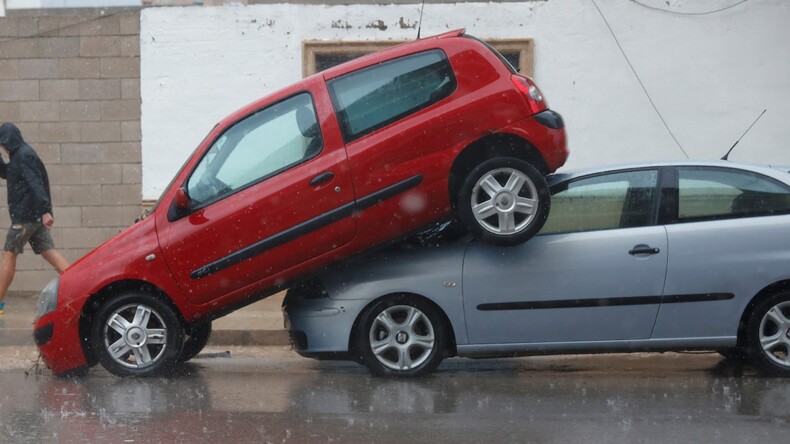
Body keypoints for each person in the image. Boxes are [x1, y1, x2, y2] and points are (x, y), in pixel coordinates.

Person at [0, 123, 69, 315]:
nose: (3, 148)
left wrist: (46, 210)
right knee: (49, 252)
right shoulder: (19, 155)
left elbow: (36, 183)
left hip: (24, 217)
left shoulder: (23, 155)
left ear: (9, 141)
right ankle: (78, 287)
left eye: (3, 144)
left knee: (8, 254)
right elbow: (7, 173)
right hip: (32, 216)